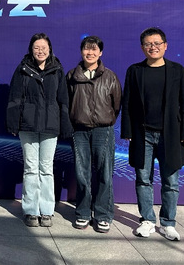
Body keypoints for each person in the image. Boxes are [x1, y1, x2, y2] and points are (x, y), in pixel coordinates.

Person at [121, 27, 184, 241]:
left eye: (157, 43)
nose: (153, 47)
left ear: (165, 45)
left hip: (171, 135)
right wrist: (127, 130)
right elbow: (127, 103)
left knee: (171, 182)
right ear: (142, 47)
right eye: (148, 44)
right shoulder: (135, 70)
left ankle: (168, 223)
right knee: (143, 179)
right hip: (143, 134)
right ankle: (147, 220)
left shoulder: (177, 70)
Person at [7, 33, 73, 228]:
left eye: (44, 47)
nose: (40, 51)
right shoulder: (23, 69)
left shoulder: (57, 70)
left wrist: (65, 124)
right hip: (27, 126)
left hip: (50, 127)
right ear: (31, 49)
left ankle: (46, 211)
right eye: (36, 47)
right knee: (30, 168)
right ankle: (30, 211)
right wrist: (13, 123)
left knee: (46, 169)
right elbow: (15, 97)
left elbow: (63, 100)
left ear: (50, 49)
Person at [66, 35, 122, 233]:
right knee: (82, 173)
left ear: (100, 53)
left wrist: (105, 120)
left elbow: (116, 105)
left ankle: (103, 215)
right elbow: (66, 102)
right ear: (81, 51)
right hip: (79, 130)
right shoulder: (72, 75)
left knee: (104, 172)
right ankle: (82, 212)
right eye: (86, 49)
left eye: (94, 49)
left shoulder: (110, 76)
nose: (90, 52)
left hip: (103, 130)